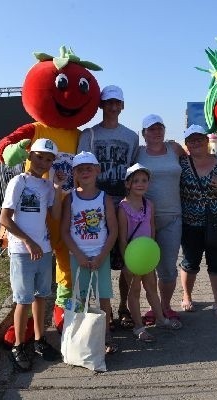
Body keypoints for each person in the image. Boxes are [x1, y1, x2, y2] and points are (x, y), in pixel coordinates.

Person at [0, 138, 65, 371]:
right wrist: (28, 242)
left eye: (48, 159)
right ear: (29, 157)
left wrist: (57, 189)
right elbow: (4, 218)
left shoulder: (47, 186)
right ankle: (19, 344)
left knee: (41, 296)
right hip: (22, 251)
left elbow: (55, 215)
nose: (43, 162)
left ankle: (39, 339)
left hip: (44, 250)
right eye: (39, 157)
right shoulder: (18, 182)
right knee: (23, 299)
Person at [78, 85, 139, 331]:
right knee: (98, 260)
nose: (113, 107)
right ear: (101, 105)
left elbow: (134, 171)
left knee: (126, 261)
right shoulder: (89, 134)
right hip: (96, 206)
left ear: (122, 106)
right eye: (109, 102)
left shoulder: (132, 136)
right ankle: (105, 312)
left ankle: (124, 307)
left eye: (117, 103)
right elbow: (79, 170)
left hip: (122, 206)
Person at [60, 151, 119, 354]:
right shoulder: (70, 199)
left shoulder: (105, 198)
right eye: (80, 169)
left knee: (103, 296)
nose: (85, 172)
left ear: (97, 170)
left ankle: (105, 334)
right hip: (79, 257)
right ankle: (81, 334)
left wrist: (102, 256)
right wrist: (78, 255)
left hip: (100, 256)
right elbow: (65, 231)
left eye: (89, 168)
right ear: (74, 173)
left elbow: (113, 230)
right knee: (80, 297)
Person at [178, 125, 217, 318]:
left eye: (199, 139)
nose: (196, 143)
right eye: (191, 140)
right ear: (186, 144)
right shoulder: (181, 163)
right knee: (190, 261)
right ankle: (187, 296)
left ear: (207, 140)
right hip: (190, 223)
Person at [117, 163, 182, 342]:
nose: (140, 184)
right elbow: (122, 238)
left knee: (152, 288)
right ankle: (138, 326)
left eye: (144, 180)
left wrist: (151, 254)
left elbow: (152, 229)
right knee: (134, 291)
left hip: (146, 257)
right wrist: (127, 262)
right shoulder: (123, 207)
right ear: (128, 184)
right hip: (132, 259)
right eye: (136, 180)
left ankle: (161, 319)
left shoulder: (149, 205)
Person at [136, 114, 186, 323]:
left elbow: (193, 163)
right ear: (144, 134)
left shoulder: (174, 149)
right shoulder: (137, 153)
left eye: (160, 128)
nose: (156, 132)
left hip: (173, 216)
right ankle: (152, 307)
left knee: (167, 266)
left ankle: (165, 306)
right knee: (146, 266)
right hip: (144, 219)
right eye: (151, 129)